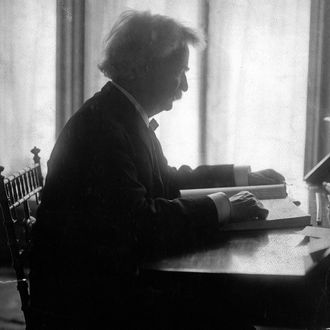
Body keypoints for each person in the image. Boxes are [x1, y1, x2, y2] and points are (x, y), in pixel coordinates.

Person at [30, 10, 285, 329]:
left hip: (103, 284)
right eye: (179, 71)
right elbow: (140, 223)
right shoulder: (102, 129)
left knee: (230, 297)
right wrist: (222, 207)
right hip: (89, 304)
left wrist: (242, 176)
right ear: (143, 68)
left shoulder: (118, 115)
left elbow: (168, 180)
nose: (186, 86)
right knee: (232, 301)